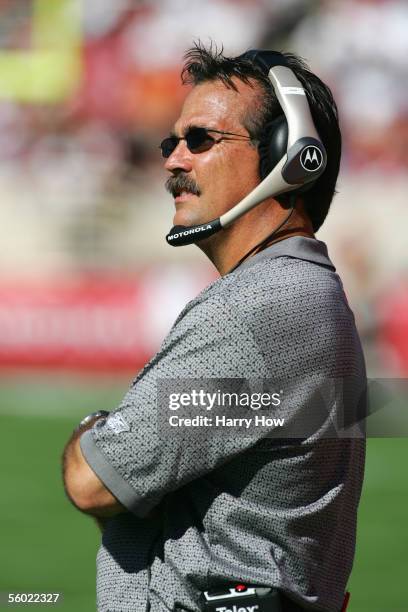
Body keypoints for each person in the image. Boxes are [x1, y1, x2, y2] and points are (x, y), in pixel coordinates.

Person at [62, 43, 366, 612]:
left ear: (292, 157)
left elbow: (96, 479)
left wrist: (95, 428)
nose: (173, 160)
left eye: (200, 140)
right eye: (169, 143)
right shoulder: (303, 292)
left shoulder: (258, 307)